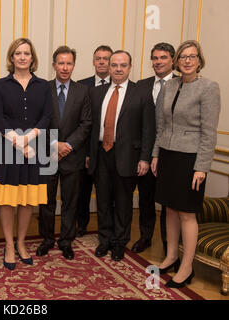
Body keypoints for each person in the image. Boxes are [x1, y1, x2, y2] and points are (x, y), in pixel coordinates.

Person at [151, 40, 221, 288]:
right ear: (177, 61)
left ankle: (186, 266)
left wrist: (201, 166)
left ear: (199, 60)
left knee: (186, 213)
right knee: (169, 209)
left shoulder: (209, 88)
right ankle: (171, 255)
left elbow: (209, 132)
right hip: (168, 156)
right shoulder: (170, 85)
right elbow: (162, 125)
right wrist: (156, 154)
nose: (187, 61)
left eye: (192, 57)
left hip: (190, 159)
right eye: (183, 57)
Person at [0, 38, 52, 270]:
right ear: (11, 57)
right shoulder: (0, 86)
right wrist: (17, 141)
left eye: (27, 53)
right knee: (7, 200)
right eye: (18, 53)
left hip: (33, 148)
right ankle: (9, 245)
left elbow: (46, 117)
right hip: (6, 149)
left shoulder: (43, 86)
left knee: (26, 200)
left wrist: (28, 138)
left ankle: (22, 243)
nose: (22, 57)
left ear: (33, 58)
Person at [88, 50, 155, 262]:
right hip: (101, 153)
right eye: (114, 65)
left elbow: (148, 129)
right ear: (108, 66)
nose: (118, 69)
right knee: (103, 201)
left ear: (130, 67)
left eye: (122, 65)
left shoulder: (141, 92)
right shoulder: (97, 93)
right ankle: (105, 239)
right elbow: (91, 128)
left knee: (124, 202)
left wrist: (145, 158)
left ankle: (119, 242)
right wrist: (90, 154)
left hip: (128, 156)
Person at [37, 46, 92, 260]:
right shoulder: (42, 89)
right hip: (48, 154)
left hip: (72, 155)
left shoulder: (82, 91)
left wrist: (67, 145)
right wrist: (54, 145)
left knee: (71, 201)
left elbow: (86, 123)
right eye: (61, 63)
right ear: (54, 65)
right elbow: (38, 121)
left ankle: (66, 241)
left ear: (73, 65)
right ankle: (47, 239)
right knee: (46, 201)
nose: (65, 67)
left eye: (69, 63)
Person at [133, 42, 176, 254]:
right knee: (146, 198)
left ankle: (169, 244)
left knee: (168, 202)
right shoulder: (142, 85)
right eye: (155, 58)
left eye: (163, 58)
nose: (158, 62)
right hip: (145, 152)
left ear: (172, 60)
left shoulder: (181, 84)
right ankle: (146, 236)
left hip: (170, 153)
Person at [76, 45, 113, 237]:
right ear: (93, 61)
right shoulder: (82, 85)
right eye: (98, 58)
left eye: (105, 59)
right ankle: (81, 225)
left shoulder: (119, 87)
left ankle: (105, 229)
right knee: (82, 191)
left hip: (107, 149)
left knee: (105, 193)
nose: (101, 62)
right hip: (84, 149)